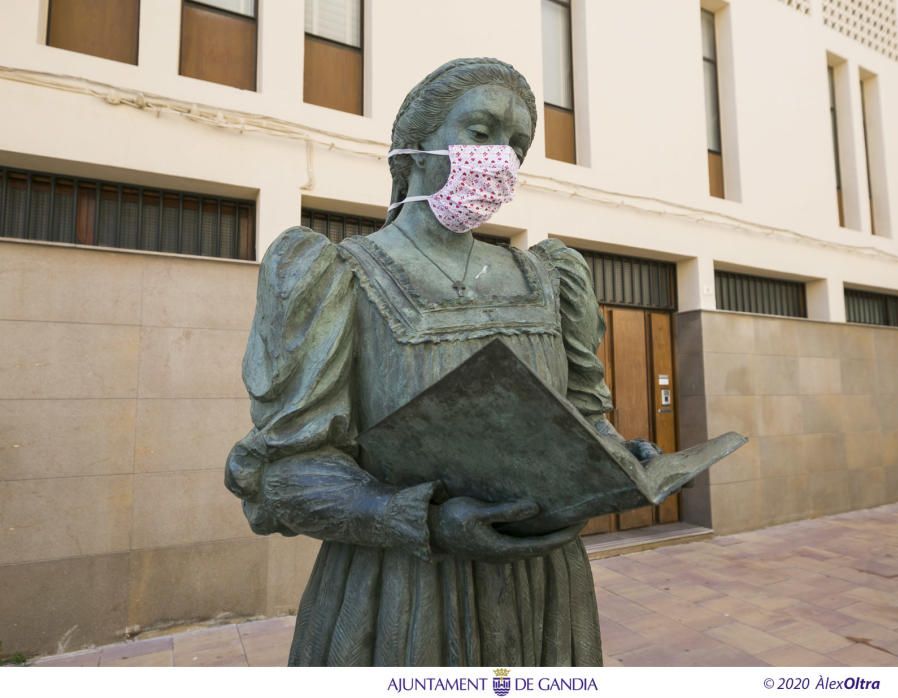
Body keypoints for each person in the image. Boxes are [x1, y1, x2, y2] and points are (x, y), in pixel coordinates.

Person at [225, 57, 656, 666]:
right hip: (401, 599)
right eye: (481, 133)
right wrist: (416, 518)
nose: (500, 158)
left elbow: (586, 418)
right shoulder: (335, 277)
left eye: (517, 144)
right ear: (415, 147)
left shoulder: (552, 277)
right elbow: (284, 476)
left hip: (543, 597)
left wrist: (616, 461)